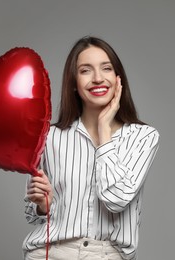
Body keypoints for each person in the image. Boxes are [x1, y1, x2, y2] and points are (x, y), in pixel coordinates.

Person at [23, 36, 160, 260]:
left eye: (106, 68)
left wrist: (104, 130)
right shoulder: (48, 137)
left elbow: (116, 199)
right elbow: (32, 214)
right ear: (74, 83)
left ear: (118, 79)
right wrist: (42, 206)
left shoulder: (143, 137)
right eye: (85, 70)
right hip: (50, 252)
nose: (98, 78)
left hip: (106, 254)